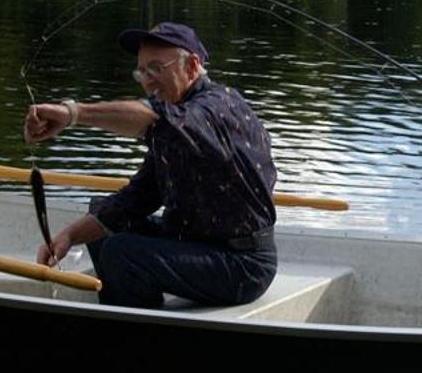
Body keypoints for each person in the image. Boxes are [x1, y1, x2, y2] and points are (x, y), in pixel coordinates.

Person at [22, 21, 278, 310]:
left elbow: (154, 118)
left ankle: (140, 333)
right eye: (141, 72)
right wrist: (68, 236)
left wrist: (72, 113)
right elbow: (136, 199)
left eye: (156, 68)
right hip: (196, 242)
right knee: (105, 223)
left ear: (192, 66)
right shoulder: (174, 126)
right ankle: (125, 311)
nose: (147, 81)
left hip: (243, 266)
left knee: (122, 253)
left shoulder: (217, 109)